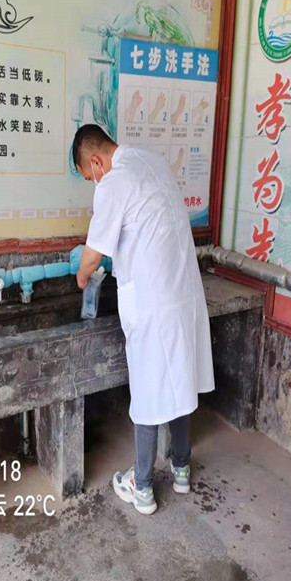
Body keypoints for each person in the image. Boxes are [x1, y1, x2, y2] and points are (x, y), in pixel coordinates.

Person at [72, 124, 215, 515]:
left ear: (96, 161)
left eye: (88, 175)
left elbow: (92, 255)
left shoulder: (113, 182)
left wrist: (81, 277)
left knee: (149, 393)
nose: (93, 181)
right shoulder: (151, 160)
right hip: (183, 294)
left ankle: (143, 485)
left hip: (152, 302)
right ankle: (181, 468)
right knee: (179, 380)